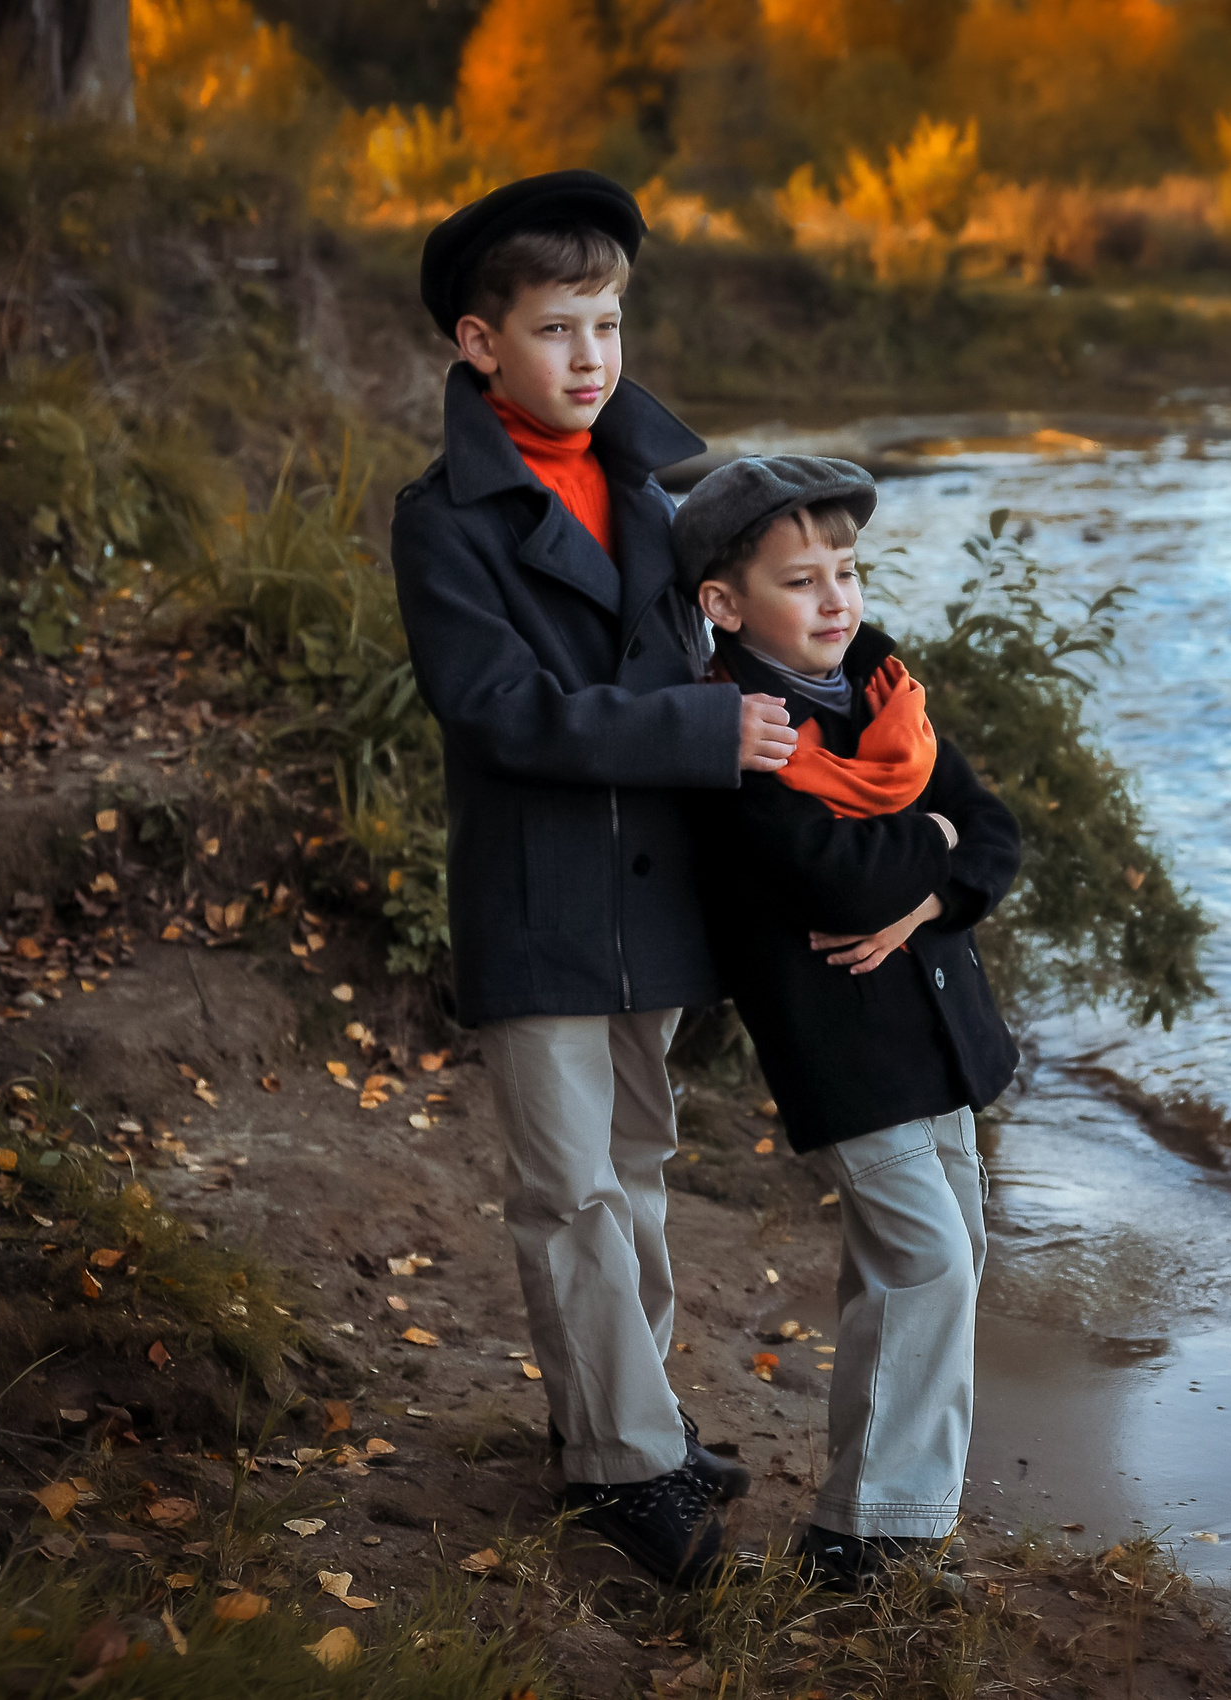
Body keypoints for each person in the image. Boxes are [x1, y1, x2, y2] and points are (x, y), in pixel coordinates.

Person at [390, 170, 802, 1585]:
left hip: (653, 897)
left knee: (635, 1170)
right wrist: (702, 726)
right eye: (561, 327)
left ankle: (635, 1423)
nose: (593, 357)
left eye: (612, 324)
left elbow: (731, 645)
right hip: (540, 895)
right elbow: (497, 707)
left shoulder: (662, 486)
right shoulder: (446, 518)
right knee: (565, 1189)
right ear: (478, 341)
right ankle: (619, 1467)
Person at [671, 455, 1023, 1590]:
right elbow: (828, 876)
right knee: (924, 1260)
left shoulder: (881, 687)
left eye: (848, 571)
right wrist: (932, 851)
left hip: (937, 1025)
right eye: (802, 581)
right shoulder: (733, 732)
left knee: (942, 1254)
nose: (838, 602)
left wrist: (927, 886)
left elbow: (994, 829)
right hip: (841, 1042)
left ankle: (873, 1513)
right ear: (724, 605)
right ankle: (876, 1527)